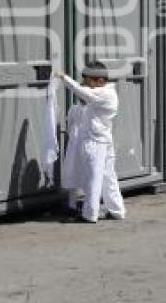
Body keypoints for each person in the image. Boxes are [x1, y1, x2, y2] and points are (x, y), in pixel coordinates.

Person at [55, 62, 124, 223]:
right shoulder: (105, 93)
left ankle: (90, 213)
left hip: (95, 142)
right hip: (103, 140)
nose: (84, 83)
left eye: (87, 80)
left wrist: (64, 78)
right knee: (108, 178)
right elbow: (85, 98)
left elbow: (84, 93)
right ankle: (117, 210)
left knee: (93, 178)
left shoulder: (104, 94)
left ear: (99, 80)